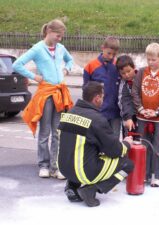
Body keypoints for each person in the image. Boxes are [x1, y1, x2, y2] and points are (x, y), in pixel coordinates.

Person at [12, 19, 73, 179]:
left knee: (58, 132)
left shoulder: (61, 48)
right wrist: (35, 77)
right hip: (45, 94)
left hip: (59, 93)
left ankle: (56, 166)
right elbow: (17, 65)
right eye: (58, 35)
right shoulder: (38, 48)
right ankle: (44, 165)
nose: (60, 39)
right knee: (45, 131)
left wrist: (66, 70)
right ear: (49, 32)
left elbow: (70, 60)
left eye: (62, 36)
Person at [57, 81, 134, 207]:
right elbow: (114, 151)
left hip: (64, 169)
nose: (103, 99)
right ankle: (91, 189)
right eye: (102, 97)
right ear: (97, 98)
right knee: (127, 164)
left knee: (81, 153)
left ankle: (72, 186)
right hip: (84, 172)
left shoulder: (69, 113)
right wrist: (126, 144)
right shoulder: (97, 119)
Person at [132, 43, 159, 187]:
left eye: (153, 60)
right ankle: (145, 174)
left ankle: (158, 176)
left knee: (158, 147)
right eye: (148, 59)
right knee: (144, 146)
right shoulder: (142, 72)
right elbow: (135, 91)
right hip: (143, 116)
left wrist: (158, 111)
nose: (150, 62)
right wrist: (141, 109)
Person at [83, 36, 121, 139]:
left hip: (115, 112)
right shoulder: (90, 66)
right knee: (98, 140)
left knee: (114, 141)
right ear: (102, 48)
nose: (111, 56)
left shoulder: (118, 65)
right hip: (98, 112)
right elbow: (86, 91)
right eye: (109, 53)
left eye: (114, 54)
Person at [116, 55, 138, 135]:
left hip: (143, 117)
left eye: (129, 71)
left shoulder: (142, 78)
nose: (127, 75)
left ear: (134, 67)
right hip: (129, 117)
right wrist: (128, 117)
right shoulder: (123, 84)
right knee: (129, 142)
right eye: (123, 73)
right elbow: (123, 101)